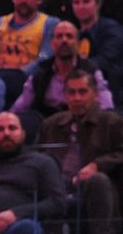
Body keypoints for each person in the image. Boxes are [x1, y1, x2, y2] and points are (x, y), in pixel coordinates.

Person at [38, 70, 123, 234]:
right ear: (65, 96)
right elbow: (36, 158)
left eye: (83, 92)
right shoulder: (50, 124)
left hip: (94, 189)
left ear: (96, 95)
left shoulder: (111, 122)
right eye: (71, 92)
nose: (77, 98)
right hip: (58, 189)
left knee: (97, 180)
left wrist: (97, 165)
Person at [11, 21, 114, 116]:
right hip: (49, 127)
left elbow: (105, 104)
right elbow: (20, 106)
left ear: (78, 44)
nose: (64, 40)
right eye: (59, 36)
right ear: (52, 44)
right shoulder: (41, 72)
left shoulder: (91, 70)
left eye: (69, 36)